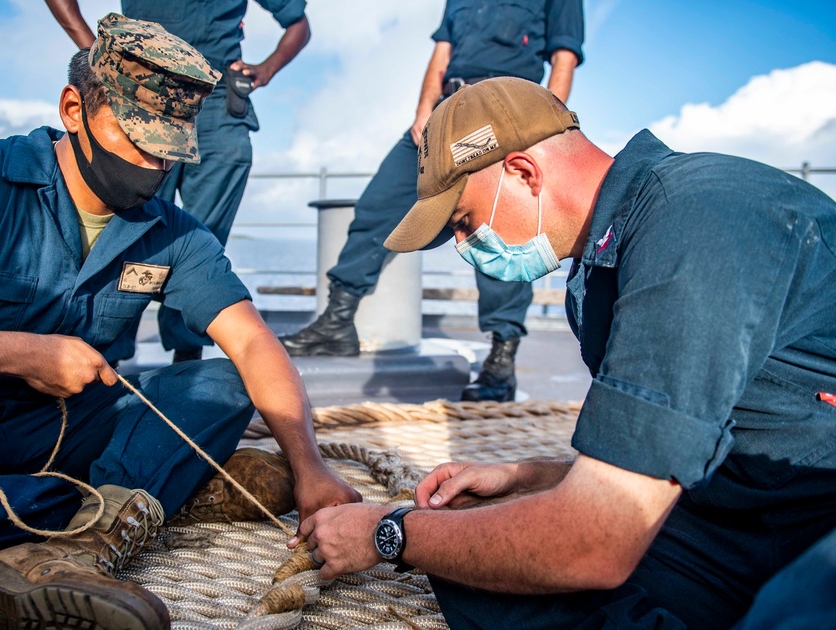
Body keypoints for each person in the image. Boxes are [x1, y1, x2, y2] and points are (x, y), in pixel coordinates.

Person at [0, 14, 358, 628]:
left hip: (68, 426)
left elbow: (249, 340)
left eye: (169, 152)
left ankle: (77, 525)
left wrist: (310, 468)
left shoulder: (172, 233)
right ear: (73, 108)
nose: (153, 167)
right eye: (137, 141)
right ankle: (128, 505)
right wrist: (17, 354)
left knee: (220, 384)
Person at [289, 78, 836, 629]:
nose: (463, 248)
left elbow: (594, 543)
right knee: (482, 564)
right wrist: (530, 477)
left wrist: (390, 532)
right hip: (738, 512)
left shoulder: (695, 230)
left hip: (816, 534)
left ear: (524, 173)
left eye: (463, 222)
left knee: (520, 555)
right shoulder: (611, 255)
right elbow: (674, 447)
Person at [280, 0, 583, 403]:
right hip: (446, 109)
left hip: (504, 110)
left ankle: (500, 357)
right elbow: (442, 51)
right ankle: (336, 323)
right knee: (378, 207)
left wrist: (542, 123)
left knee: (497, 226)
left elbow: (564, 57)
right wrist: (424, 108)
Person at [47, 0, 311, 362]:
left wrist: (266, 69)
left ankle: (188, 357)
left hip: (218, 98)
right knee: (126, 222)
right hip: (142, 91)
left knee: (202, 235)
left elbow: (298, 23)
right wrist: (94, 49)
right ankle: (104, 353)